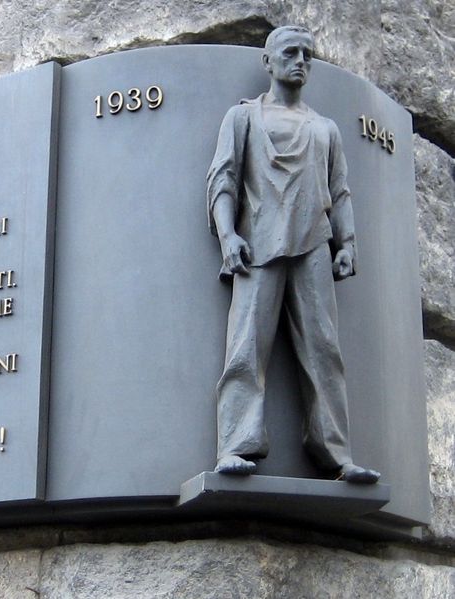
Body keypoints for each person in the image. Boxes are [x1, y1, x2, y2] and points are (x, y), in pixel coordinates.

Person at [207, 25, 380, 483]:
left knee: (325, 350)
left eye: (308, 53)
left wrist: (348, 245)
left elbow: (340, 193)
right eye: (290, 52)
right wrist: (228, 237)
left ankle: (336, 454)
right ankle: (235, 445)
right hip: (258, 248)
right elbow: (222, 181)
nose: (300, 60)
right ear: (268, 61)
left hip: (313, 248)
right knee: (245, 348)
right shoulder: (241, 118)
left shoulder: (325, 129)